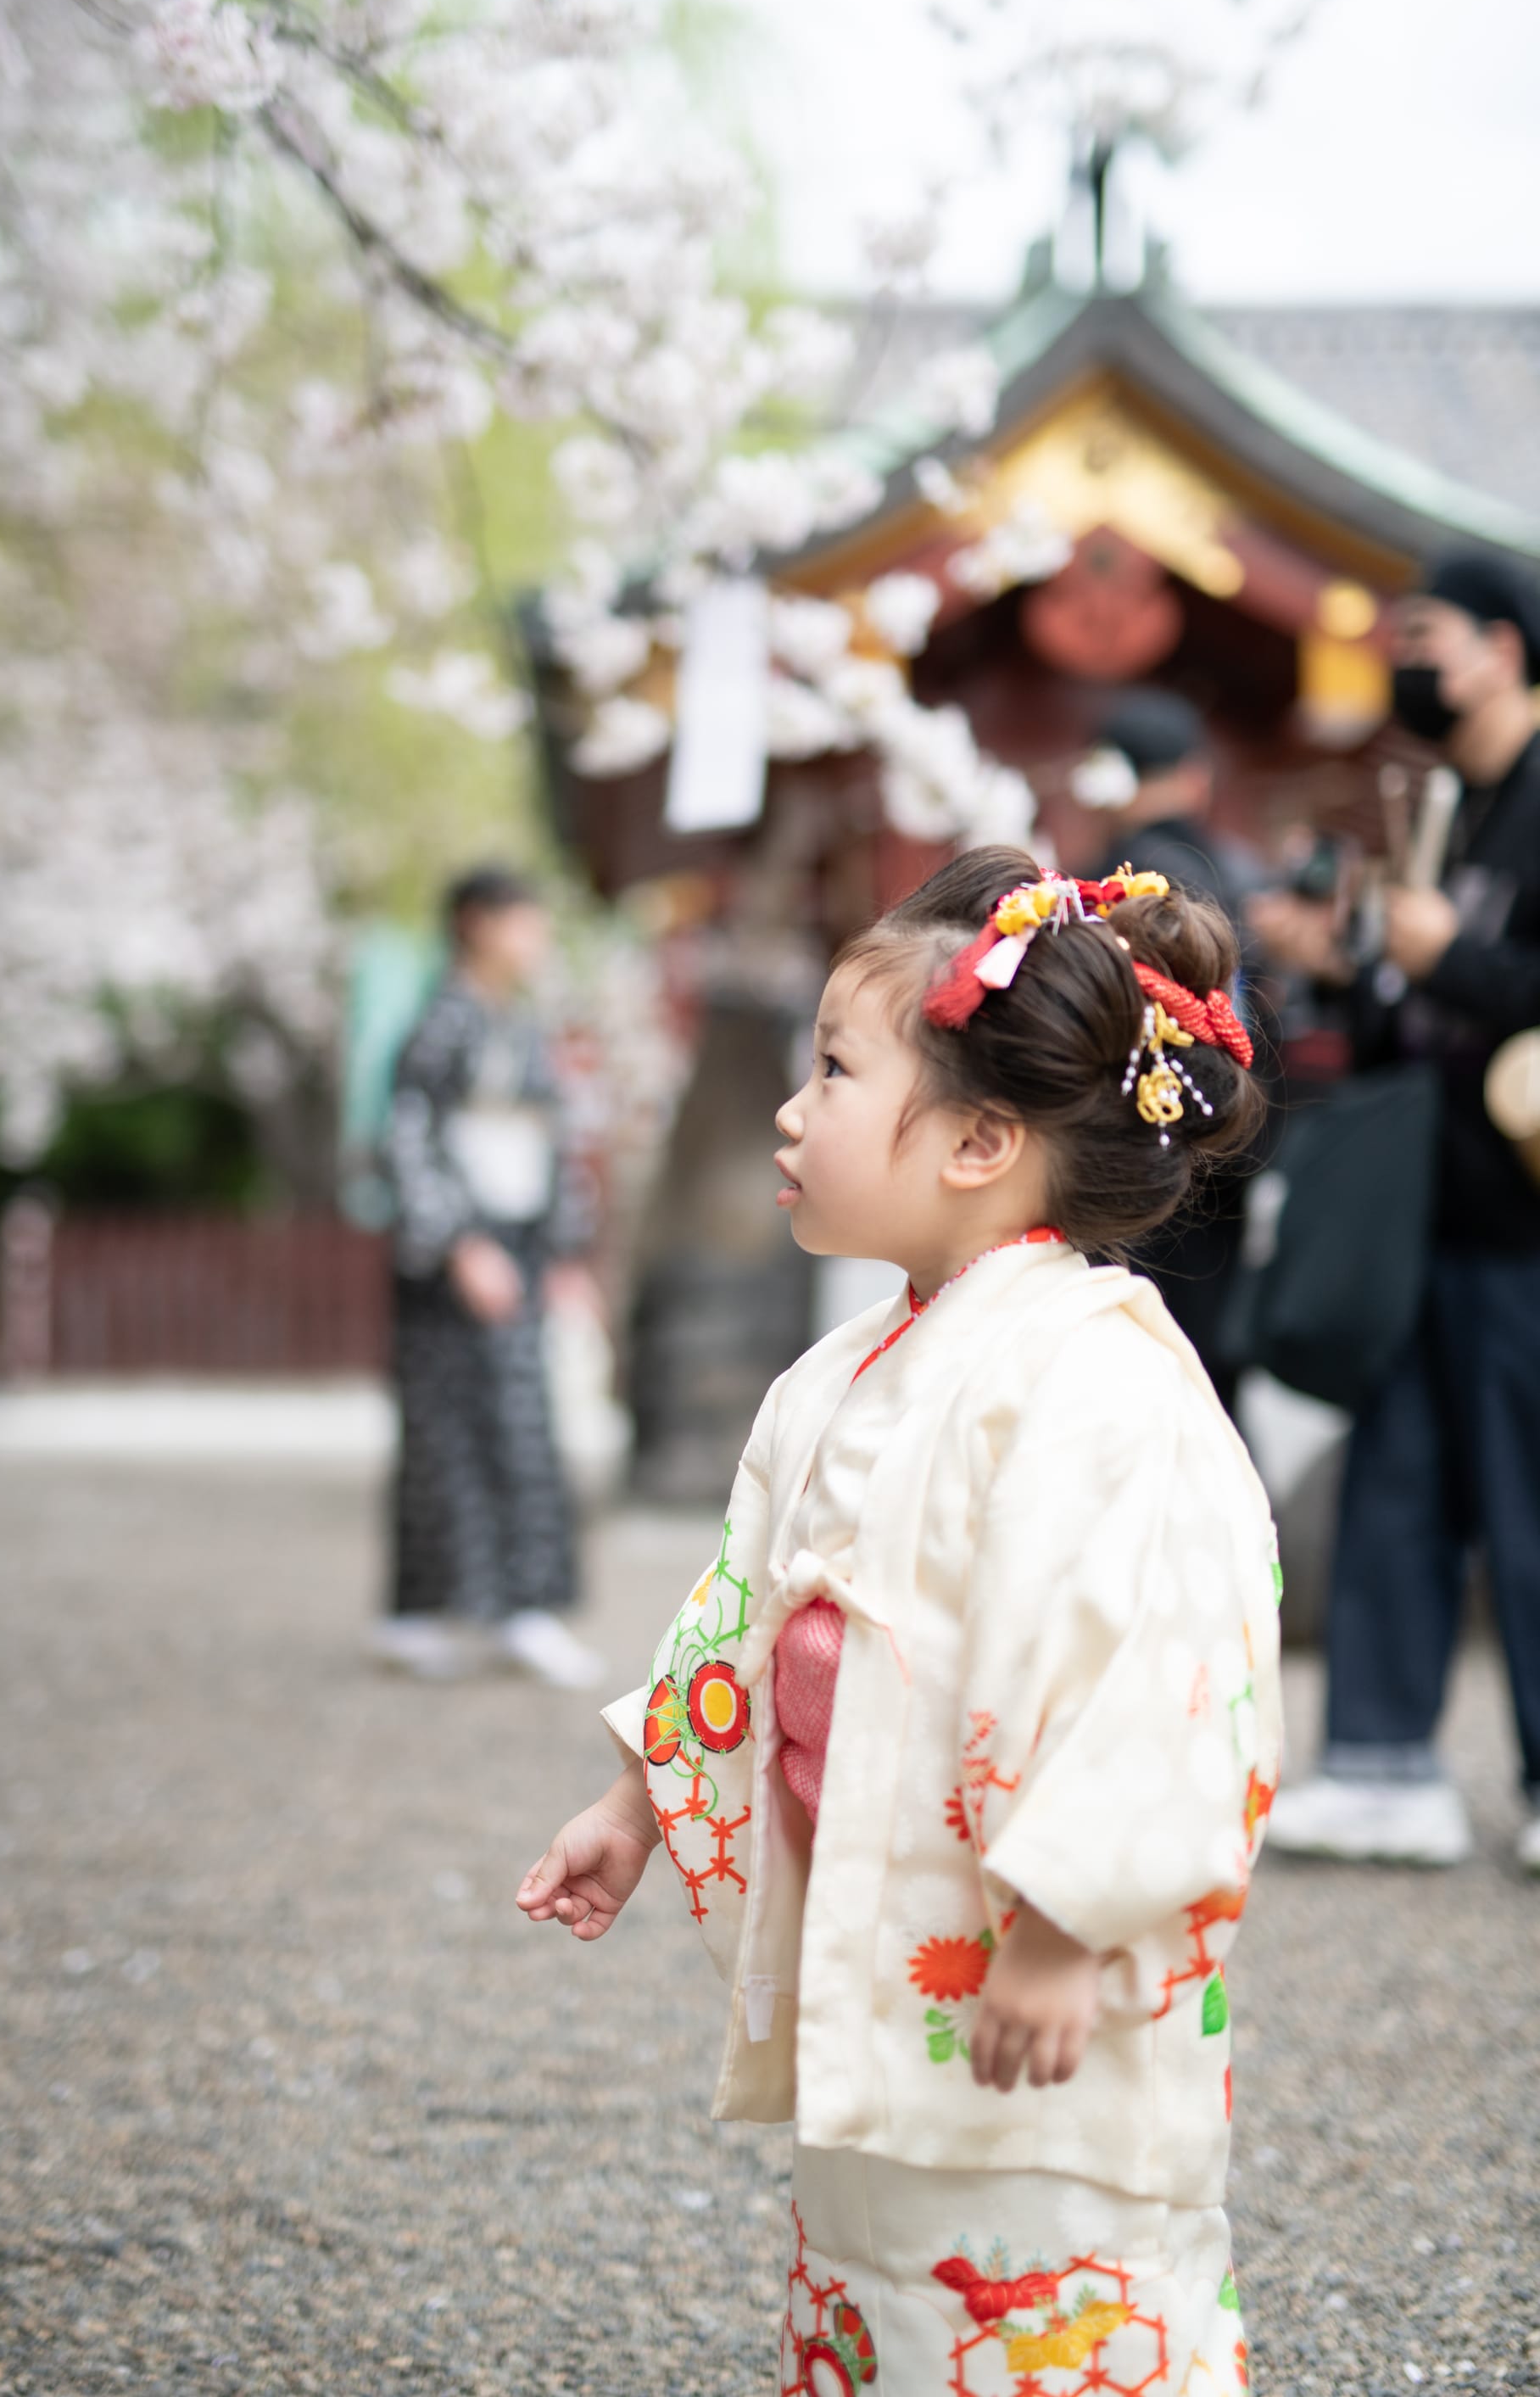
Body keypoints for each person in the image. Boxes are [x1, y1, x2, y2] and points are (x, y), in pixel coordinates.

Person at [518, 850, 1281, 2396]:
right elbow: (741, 1606)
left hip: (1029, 1972)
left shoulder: (1107, 1381)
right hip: (907, 1960)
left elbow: (1172, 1675)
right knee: (883, 2278)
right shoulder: (849, 1367)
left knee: (1050, 2288)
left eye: (835, 1072)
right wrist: (641, 1800)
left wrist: (1069, 1926)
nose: (793, 1114)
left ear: (983, 1140)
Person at [1253, 552, 1540, 1875]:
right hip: (1431, 1207)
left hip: (1521, 1225)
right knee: (1398, 1483)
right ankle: (1380, 1765)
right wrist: (1350, 973)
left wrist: (1448, 956)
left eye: (1425, 634)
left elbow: (1484, 977)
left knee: (1526, 1497)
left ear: (1501, 646)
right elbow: (1409, 1020)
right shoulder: (1454, 807)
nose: (1404, 656)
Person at [373, 868, 603, 1687]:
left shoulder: (517, 1022)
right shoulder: (440, 1025)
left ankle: (511, 1606)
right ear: (475, 923)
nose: (535, 936)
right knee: (453, 1428)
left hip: (519, 1242)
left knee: (516, 1418)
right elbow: (406, 1138)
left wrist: (567, 1250)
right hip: (461, 1253)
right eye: (523, 919)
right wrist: (460, 1241)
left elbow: (554, 1139)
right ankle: (446, 1608)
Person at [1071, 689, 1258, 1407]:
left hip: (1115, 1147)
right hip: (1211, 1139)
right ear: (1195, 777)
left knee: (1118, 1358)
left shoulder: (1105, 878)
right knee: (1198, 1364)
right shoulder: (1219, 868)